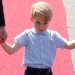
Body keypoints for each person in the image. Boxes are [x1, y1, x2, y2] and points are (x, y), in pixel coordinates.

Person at [1, 1, 75, 75]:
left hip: (47, 72)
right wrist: (1, 41)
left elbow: (69, 45)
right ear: (31, 19)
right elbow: (11, 50)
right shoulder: (27, 35)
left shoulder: (54, 36)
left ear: (50, 20)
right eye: (38, 22)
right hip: (31, 72)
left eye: (45, 23)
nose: (41, 26)